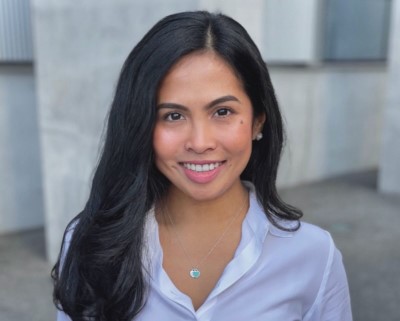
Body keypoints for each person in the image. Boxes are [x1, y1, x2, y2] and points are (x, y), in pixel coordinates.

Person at [52, 10, 352, 321]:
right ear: (140, 127)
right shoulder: (91, 242)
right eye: (173, 115)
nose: (199, 142)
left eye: (222, 111)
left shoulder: (313, 255)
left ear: (257, 121)